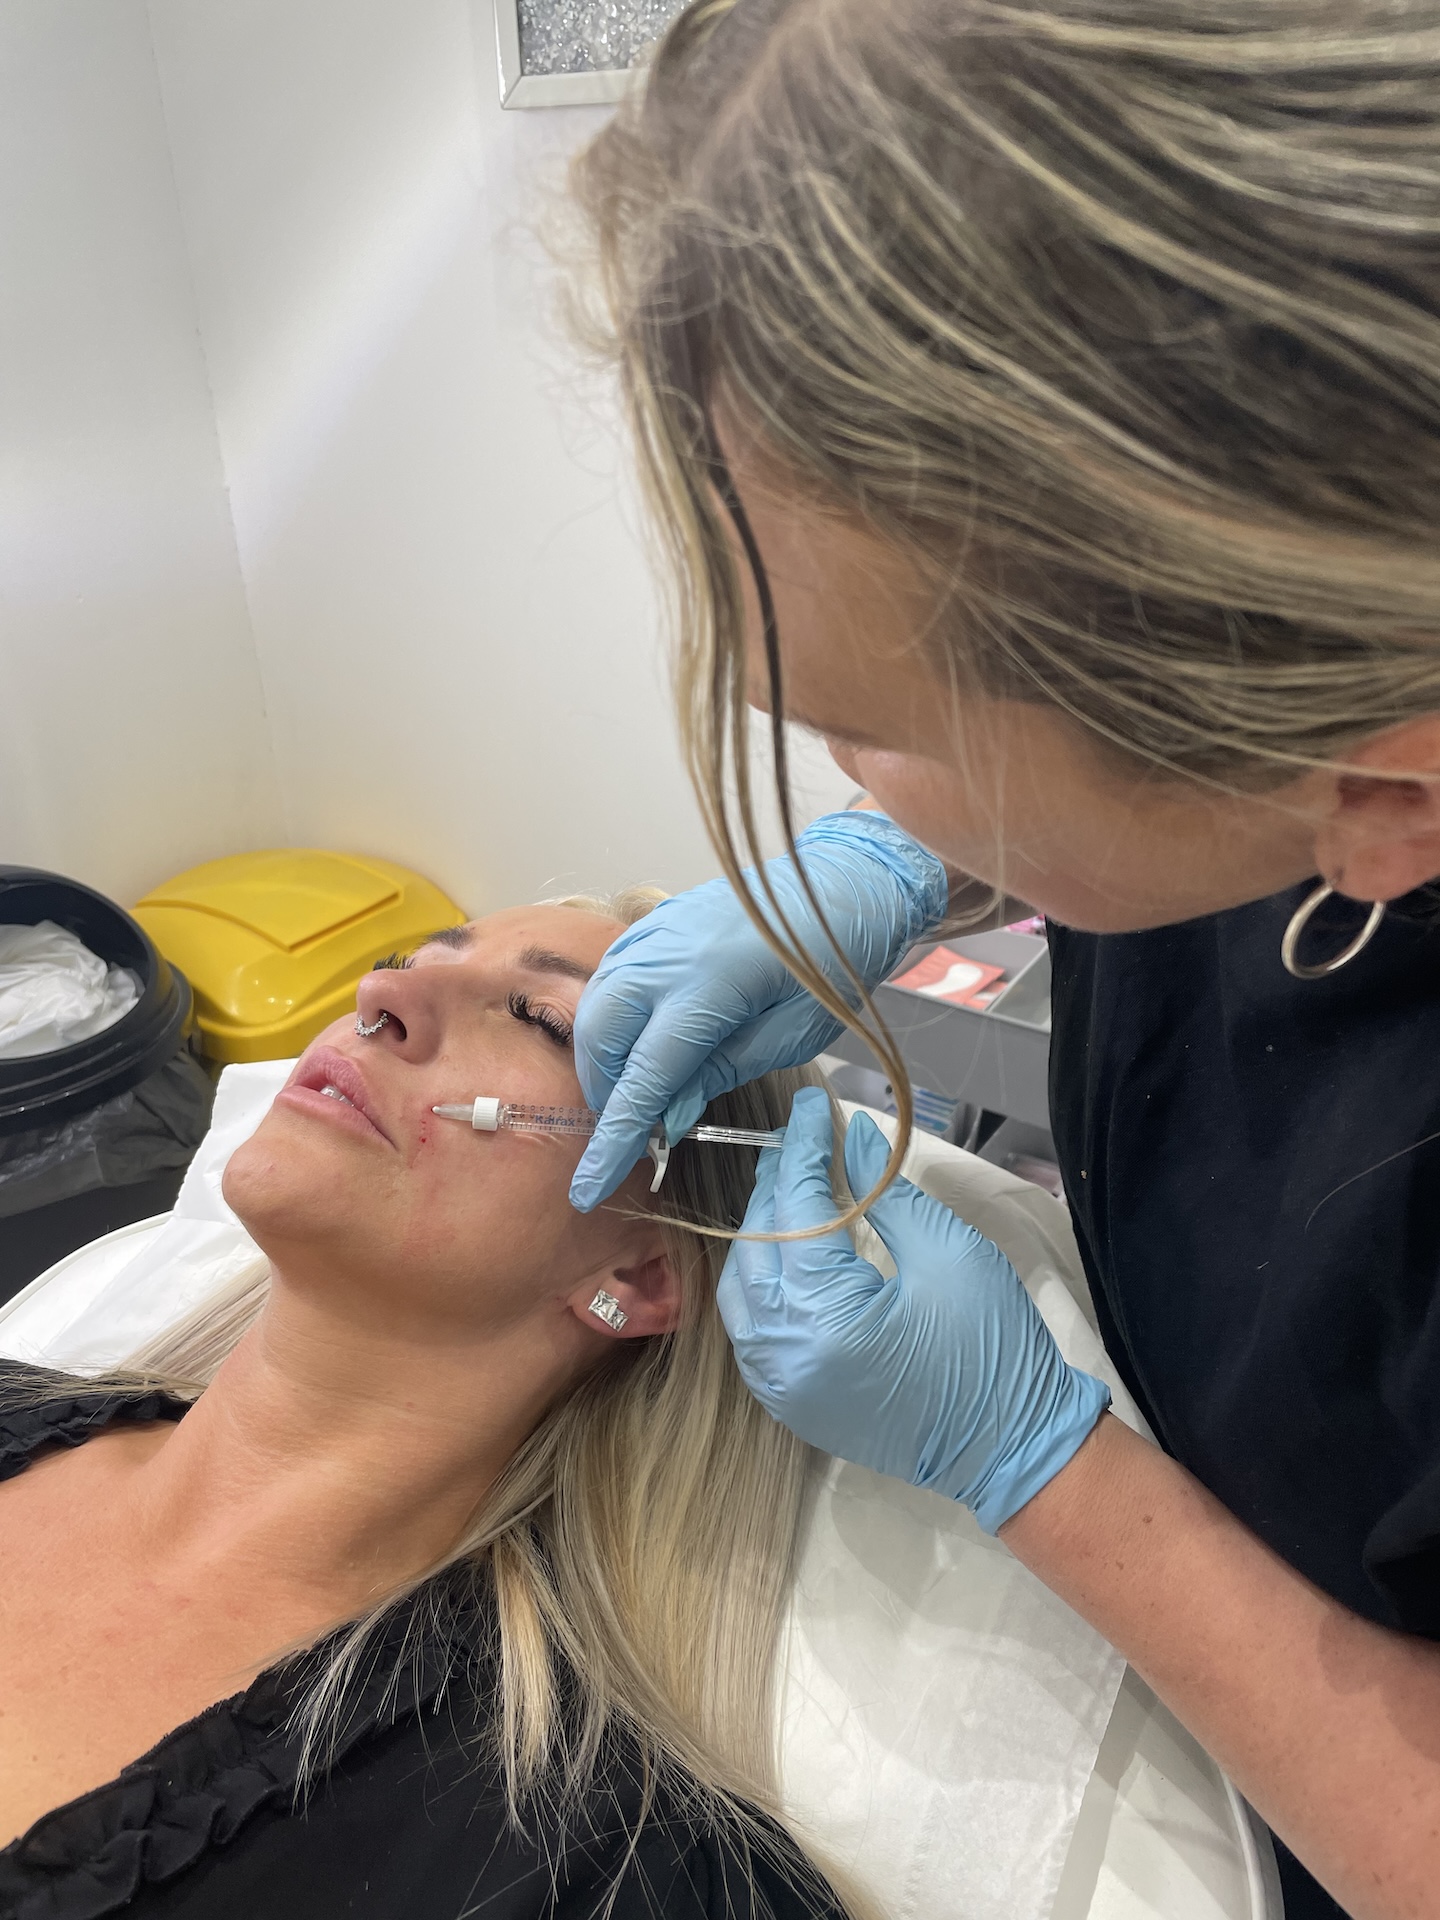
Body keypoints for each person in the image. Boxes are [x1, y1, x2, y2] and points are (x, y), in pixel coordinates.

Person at [563, 7, 1440, 1918]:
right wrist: (912, 850)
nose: (824, 779)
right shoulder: (1320, 674)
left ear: (1382, 792)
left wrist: (1038, 1468)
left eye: (869, 728)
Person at [0, 892, 855, 1920]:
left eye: (541, 1019)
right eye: (411, 957)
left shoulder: (588, 1869)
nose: (382, 991)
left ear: (641, 1270)